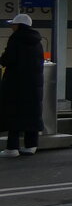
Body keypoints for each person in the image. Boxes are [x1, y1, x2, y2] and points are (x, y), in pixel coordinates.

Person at [1, 13, 45, 157]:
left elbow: (9, 59)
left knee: (14, 114)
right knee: (31, 114)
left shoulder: (16, 38)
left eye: (13, 24)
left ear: (19, 25)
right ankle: (31, 146)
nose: (12, 27)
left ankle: (12, 148)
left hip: (17, 84)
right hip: (34, 85)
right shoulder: (37, 41)